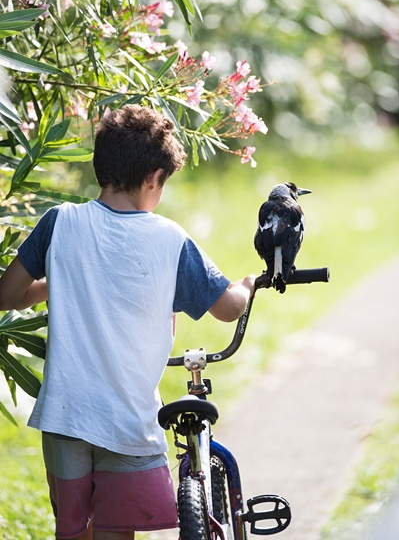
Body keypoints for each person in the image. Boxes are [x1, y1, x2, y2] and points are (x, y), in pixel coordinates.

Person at [0, 105, 255, 540]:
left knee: (73, 531)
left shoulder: (59, 222)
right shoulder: (169, 239)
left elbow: (7, 296)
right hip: (128, 421)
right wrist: (248, 284)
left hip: (66, 417)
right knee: (116, 534)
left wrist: (57, 281)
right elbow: (228, 307)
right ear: (156, 177)